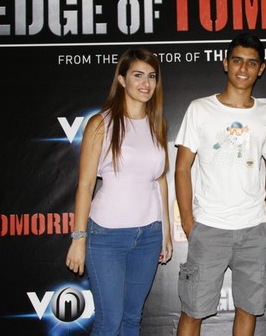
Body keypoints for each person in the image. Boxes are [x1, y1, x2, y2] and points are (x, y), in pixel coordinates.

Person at [175, 32, 266, 336]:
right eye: (237, 61)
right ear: (225, 64)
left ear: (261, 69)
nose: (243, 68)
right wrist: (188, 223)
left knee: (249, 309)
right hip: (209, 228)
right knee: (193, 311)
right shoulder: (199, 109)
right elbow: (182, 168)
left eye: (251, 63)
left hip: (254, 229)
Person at [65, 48, 172, 336]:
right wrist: (78, 238)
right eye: (138, 75)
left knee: (131, 319)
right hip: (107, 237)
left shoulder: (157, 124)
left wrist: (166, 231)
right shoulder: (100, 124)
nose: (146, 83)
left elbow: (160, 179)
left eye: (151, 76)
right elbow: (86, 185)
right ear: (122, 80)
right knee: (109, 323)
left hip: (149, 235)